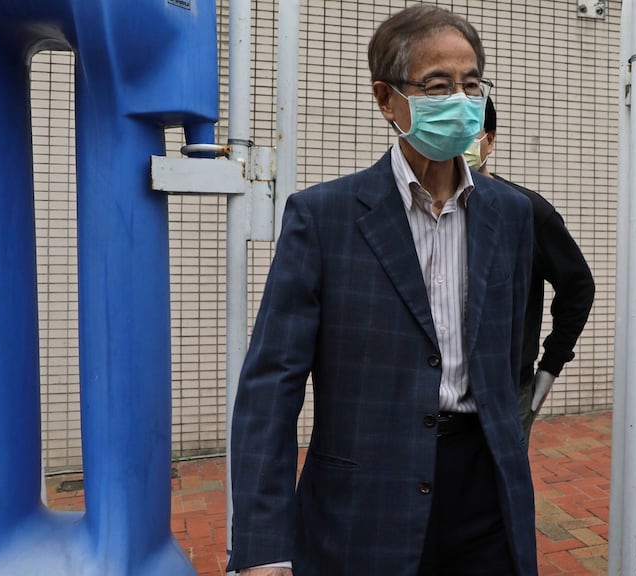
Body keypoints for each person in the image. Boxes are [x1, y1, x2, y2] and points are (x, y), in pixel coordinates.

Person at [227, 5, 538, 575]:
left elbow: (509, 350)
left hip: (485, 489)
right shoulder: (323, 218)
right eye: (438, 85)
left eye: (472, 84)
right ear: (387, 99)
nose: (461, 100)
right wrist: (262, 544)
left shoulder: (511, 214)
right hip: (363, 497)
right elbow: (271, 386)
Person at [465, 98, 595, 443]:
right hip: (427, 395)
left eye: (468, 131)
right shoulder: (417, 209)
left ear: (490, 140)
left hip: (507, 389)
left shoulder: (525, 211)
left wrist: (549, 368)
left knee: (500, 493)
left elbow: (578, 286)